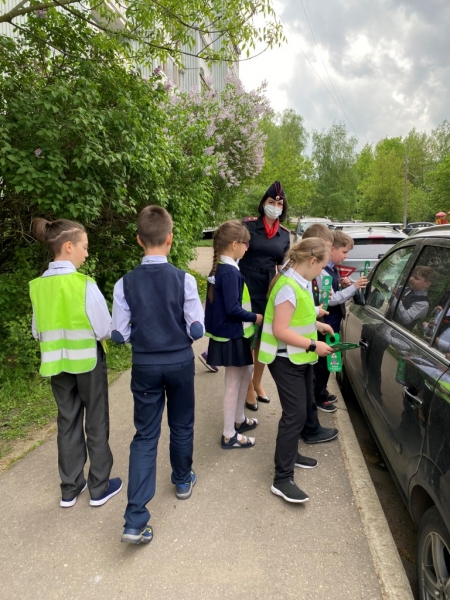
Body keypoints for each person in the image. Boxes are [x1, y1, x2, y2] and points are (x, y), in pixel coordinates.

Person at [112, 205, 204, 545]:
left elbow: (119, 333)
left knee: (145, 436)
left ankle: (135, 520)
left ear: (139, 240)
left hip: (145, 366)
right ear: (170, 239)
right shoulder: (185, 280)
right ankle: (182, 479)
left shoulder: (124, 283)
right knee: (181, 424)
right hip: (179, 363)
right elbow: (196, 329)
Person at [29, 218, 121, 509]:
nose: (87, 253)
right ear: (68, 246)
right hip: (88, 362)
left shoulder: (38, 287)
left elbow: (36, 331)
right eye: (85, 247)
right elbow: (104, 329)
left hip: (57, 364)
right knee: (96, 421)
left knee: (67, 421)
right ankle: (99, 486)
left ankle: (70, 488)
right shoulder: (84, 284)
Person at [259, 238, 335, 503]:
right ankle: (282, 479)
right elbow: (280, 330)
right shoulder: (288, 286)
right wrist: (314, 345)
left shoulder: (299, 281)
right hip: (285, 359)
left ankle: (290, 455)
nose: (322, 272)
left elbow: (297, 317)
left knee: (303, 408)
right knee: (294, 415)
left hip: (299, 357)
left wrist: (317, 325)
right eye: (322, 267)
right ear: (312, 261)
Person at [204, 221, 263, 448]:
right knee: (232, 383)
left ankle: (239, 420)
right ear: (235, 244)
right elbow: (232, 309)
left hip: (234, 333)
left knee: (246, 370)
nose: (248, 248)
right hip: (231, 334)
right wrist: (255, 317)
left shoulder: (224, 267)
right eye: (246, 244)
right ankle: (229, 434)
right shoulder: (229, 272)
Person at [237, 181, 291, 411]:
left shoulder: (284, 235)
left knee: (263, 338)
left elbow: (282, 267)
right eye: (271, 202)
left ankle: (258, 382)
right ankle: (248, 385)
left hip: (268, 288)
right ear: (263, 203)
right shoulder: (248, 226)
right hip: (246, 285)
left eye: (279, 204)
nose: (275, 207)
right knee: (247, 337)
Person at [314, 230, 368, 413]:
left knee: (328, 360)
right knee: (322, 363)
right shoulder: (323, 271)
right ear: (331, 249)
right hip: (326, 323)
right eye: (344, 252)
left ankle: (321, 391)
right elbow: (330, 300)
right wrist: (354, 287)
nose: (346, 256)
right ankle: (318, 396)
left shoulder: (331, 268)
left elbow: (332, 291)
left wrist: (341, 284)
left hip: (332, 322)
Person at [298, 223, 340, 443]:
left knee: (306, 390)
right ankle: (308, 431)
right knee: (299, 400)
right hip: (296, 349)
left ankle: (310, 428)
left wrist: (316, 319)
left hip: (302, 345)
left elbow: (302, 309)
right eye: (328, 249)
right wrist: (314, 344)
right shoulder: (297, 279)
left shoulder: (304, 276)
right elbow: (284, 322)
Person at [393, 266, 436, 330]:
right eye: (412, 276)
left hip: (397, 332)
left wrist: (395, 299)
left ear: (427, 284)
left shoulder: (423, 303)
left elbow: (406, 319)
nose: (411, 279)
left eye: (416, 278)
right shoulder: (403, 288)